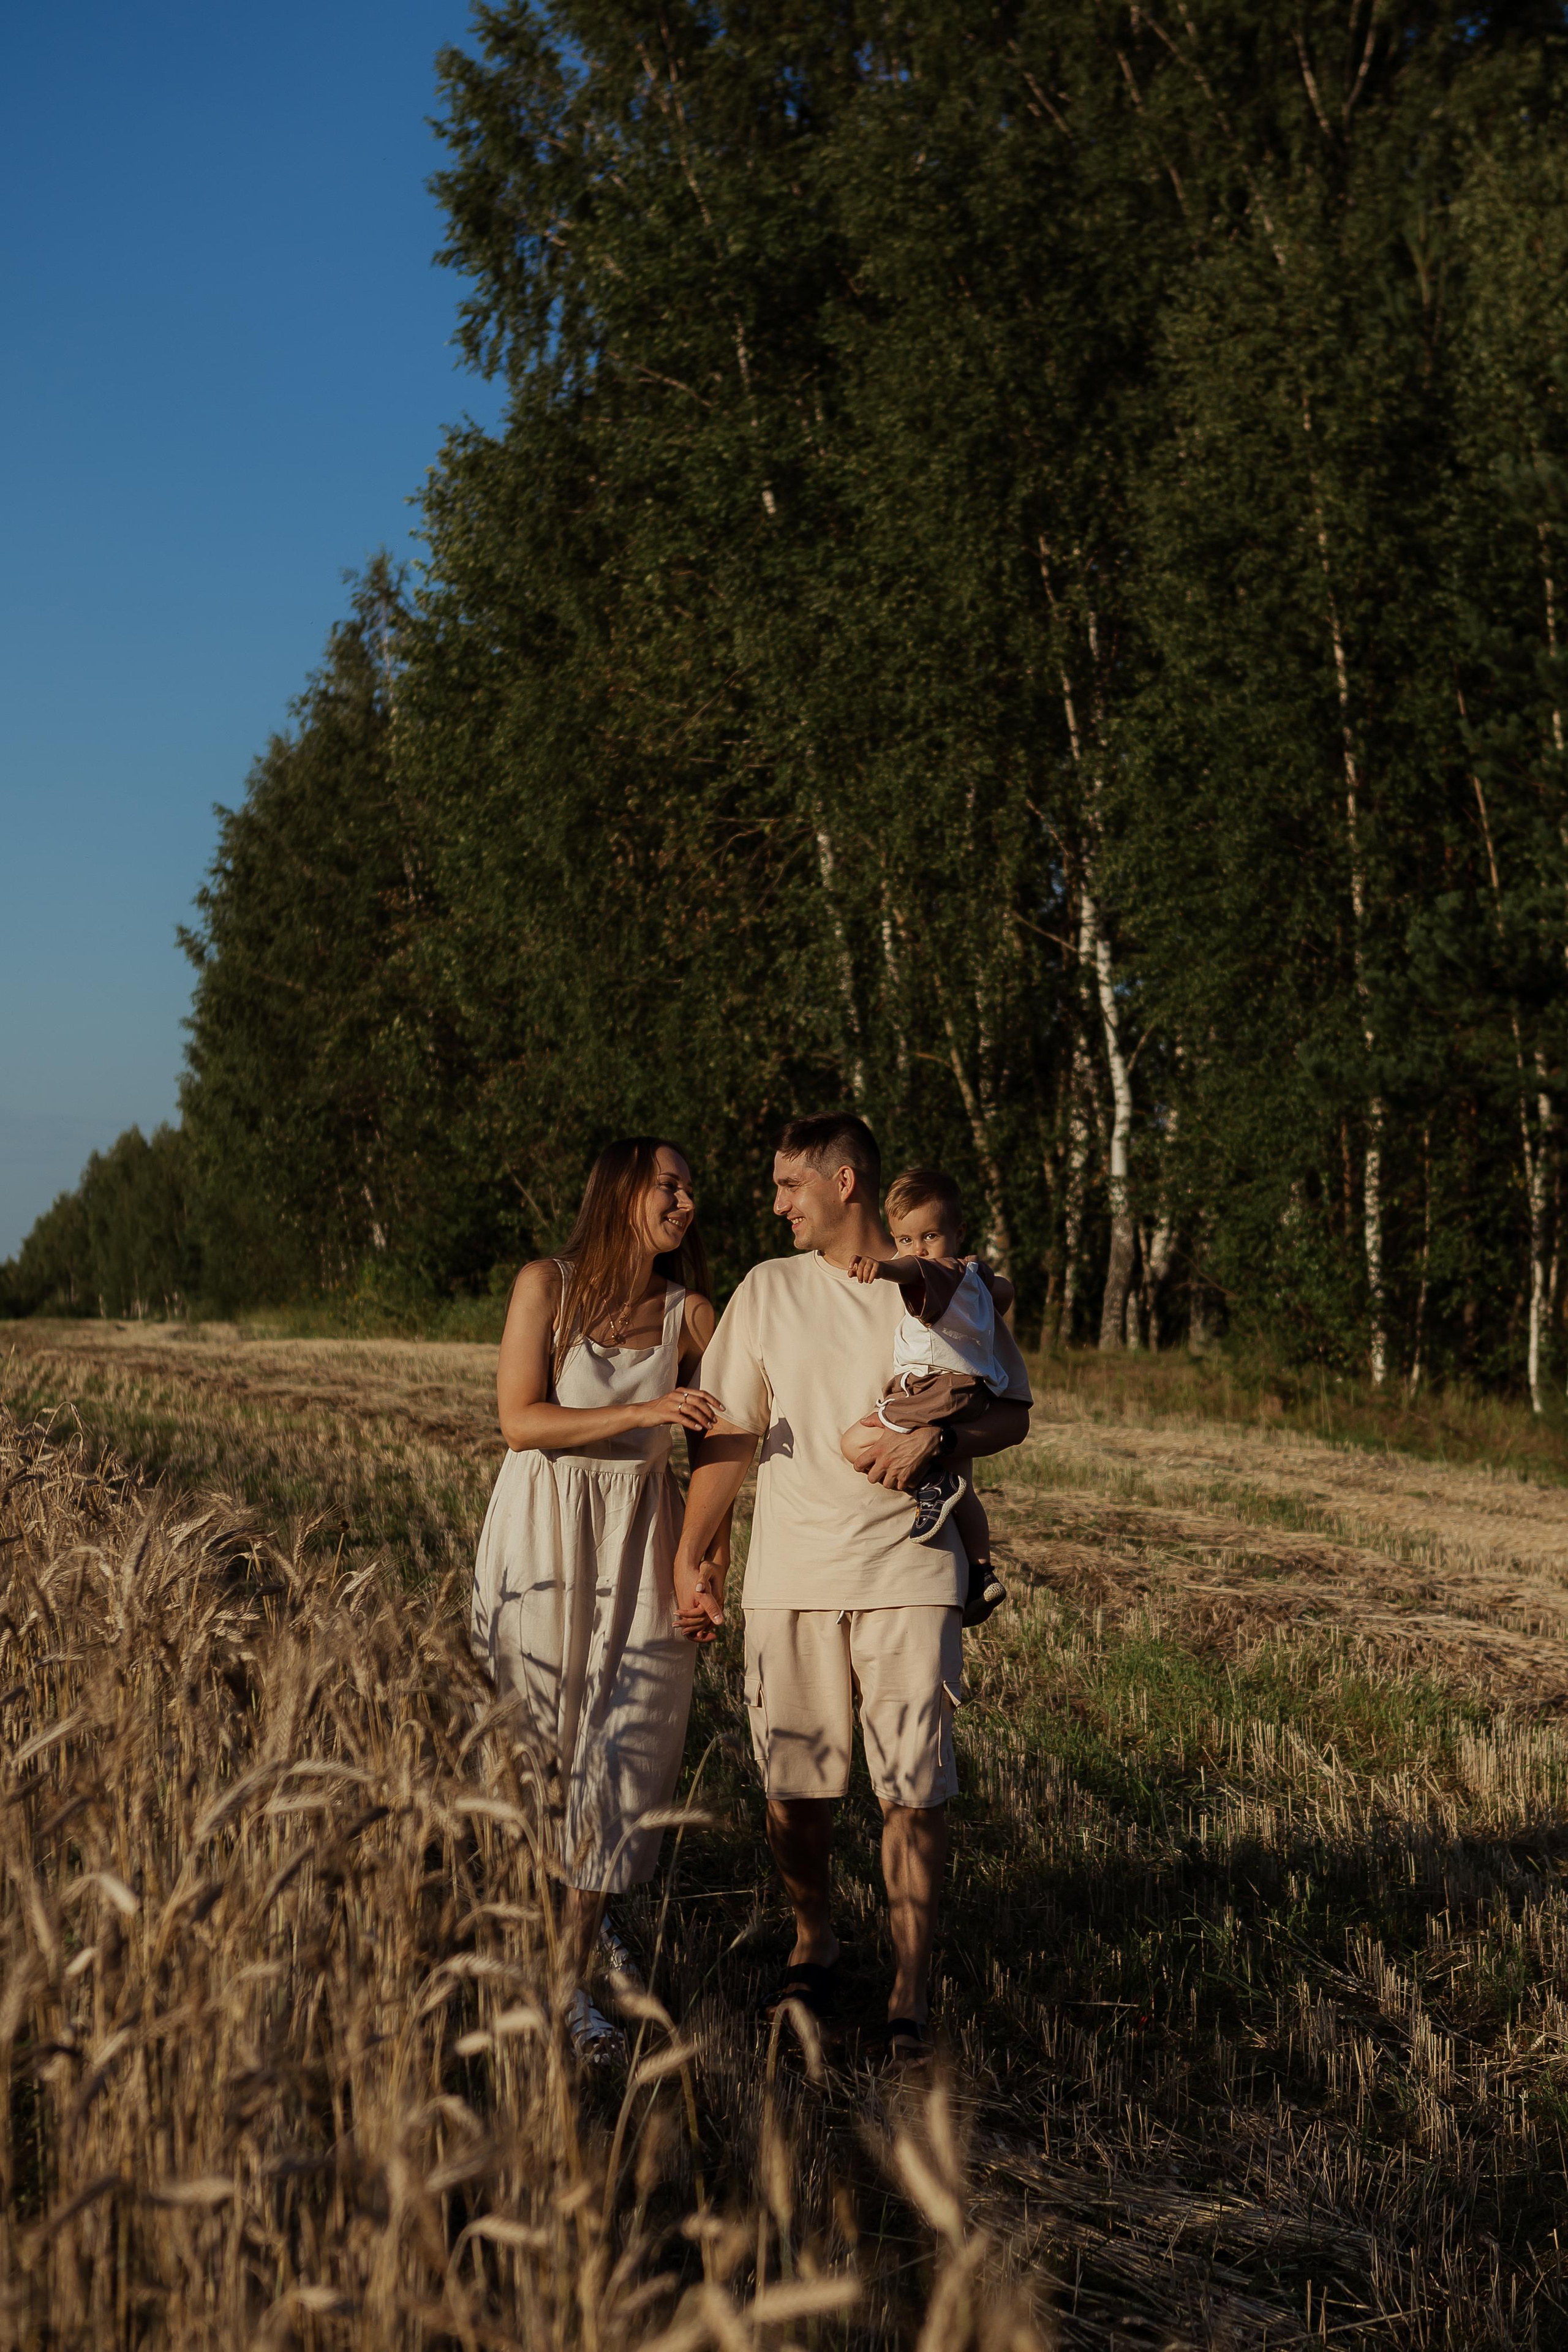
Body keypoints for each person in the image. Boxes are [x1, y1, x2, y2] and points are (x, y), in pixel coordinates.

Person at [671, 1114, 1032, 2064]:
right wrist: (692, 1554)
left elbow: (1011, 1413)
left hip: (912, 1568)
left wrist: (938, 1440)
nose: (777, 1204)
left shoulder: (942, 1284)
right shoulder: (768, 1289)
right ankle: (815, 1936)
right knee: (795, 1791)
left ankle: (908, 1988)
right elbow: (732, 1434)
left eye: (790, 1184)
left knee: (914, 1790)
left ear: (844, 1183)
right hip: (792, 1573)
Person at [470, 1138, 726, 2062]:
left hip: (642, 1538)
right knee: (537, 1745)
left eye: (692, 1190)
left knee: (628, 1746)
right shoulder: (547, 1285)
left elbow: (723, 1447)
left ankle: (565, 1977)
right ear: (621, 1192)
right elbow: (520, 1420)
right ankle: (536, 1928)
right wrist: (643, 1412)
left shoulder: (692, 1315)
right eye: (670, 1186)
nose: (686, 1203)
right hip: (542, 1531)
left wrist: (708, 1565)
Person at [841, 1166, 1012, 1627]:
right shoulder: (969, 1273)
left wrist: (883, 1266)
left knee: (855, 1442)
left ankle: (931, 1484)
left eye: (929, 1236)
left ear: (957, 1233)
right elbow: (1006, 1291)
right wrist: (984, 1283)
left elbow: (912, 1268)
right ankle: (982, 1572)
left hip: (935, 1387)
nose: (918, 1249)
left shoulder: (932, 1272)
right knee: (965, 1486)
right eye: (904, 1239)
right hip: (971, 1390)